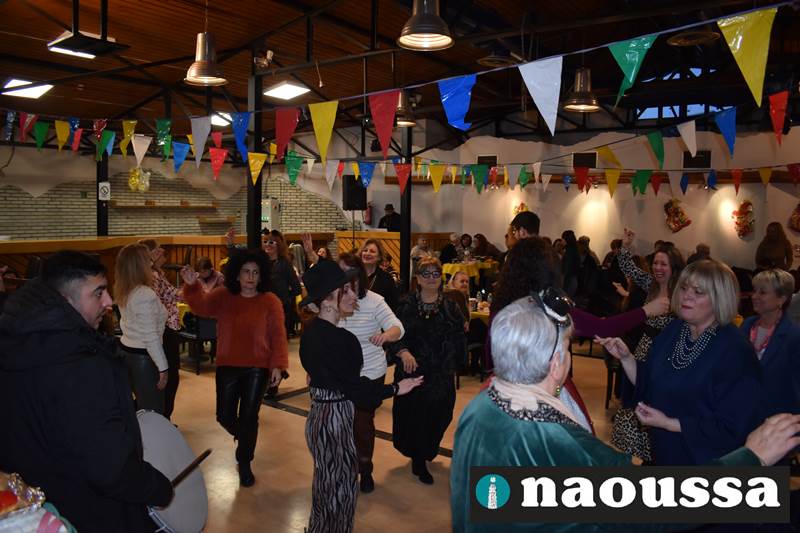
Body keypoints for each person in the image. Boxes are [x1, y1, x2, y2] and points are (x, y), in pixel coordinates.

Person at [451, 295, 800, 533]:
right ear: (556, 364)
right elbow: (657, 506)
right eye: (568, 348)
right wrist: (750, 459)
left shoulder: (481, 406)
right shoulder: (555, 440)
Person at [0, 251, 173, 532]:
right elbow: (109, 466)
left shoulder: (16, 343)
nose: (109, 302)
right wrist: (156, 487)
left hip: (41, 508)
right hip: (92, 511)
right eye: (98, 293)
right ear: (65, 299)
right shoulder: (82, 365)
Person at [487, 237, 670, 433]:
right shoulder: (550, 307)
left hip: (502, 392)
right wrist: (646, 311)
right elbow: (603, 328)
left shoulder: (501, 307)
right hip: (545, 390)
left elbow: (489, 358)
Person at [599, 260, 765, 466]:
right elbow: (650, 381)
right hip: (662, 452)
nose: (687, 296)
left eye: (698, 292)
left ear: (720, 298)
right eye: (684, 288)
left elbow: (734, 425)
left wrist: (670, 423)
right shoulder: (675, 330)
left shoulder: (735, 350)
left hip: (702, 463)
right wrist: (627, 358)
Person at [299, 261, 422, 533]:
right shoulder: (344, 340)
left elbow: (326, 377)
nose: (354, 295)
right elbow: (358, 391)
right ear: (327, 300)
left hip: (317, 418)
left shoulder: (310, 334)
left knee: (326, 485)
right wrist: (395, 388)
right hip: (335, 420)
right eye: (345, 291)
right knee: (341, 491)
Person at [181, 248, 288, 487]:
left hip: (257, 368)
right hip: (227, 365)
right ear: (237, 275)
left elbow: (278, 336)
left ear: (261, 276)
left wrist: (278, 365)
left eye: (255, 272)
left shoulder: (270, 301)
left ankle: (245, 460)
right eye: (246, 272)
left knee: (249, 416)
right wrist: (191, 286)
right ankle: (246, 437)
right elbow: (201, 307)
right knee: (225, 416)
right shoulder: (223, 296)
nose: (250, 277)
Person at [387, 257, 467, 485]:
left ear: (441, 277)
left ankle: (425, 451)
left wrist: (456, 362)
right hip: (411, 372)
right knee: (413, 416)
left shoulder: (451, 306)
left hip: (440, 373)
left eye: (435, 274)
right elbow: (393, 334)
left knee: (440, 414)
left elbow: (459, 337)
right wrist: (402, 352)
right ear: (418, 278)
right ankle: (418, 458)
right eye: (426, 274)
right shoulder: (405, 304)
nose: (431, 278)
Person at [610, 227, 685, 461]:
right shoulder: (650, 283)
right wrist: (625, 246)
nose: (658, 268)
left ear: (674, 267)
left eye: (664, 264)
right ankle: (639, 451)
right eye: (656, 263)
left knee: (657, 400)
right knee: (636, 396)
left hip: (668, 354)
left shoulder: (682, 293)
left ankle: (656, 453)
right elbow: (628, 268)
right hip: (645, 348)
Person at [338, 252, 405, 493]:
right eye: (340, 272)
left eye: (349, 273)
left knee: (362, 423)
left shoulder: (375, 300)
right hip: (340, 372)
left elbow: (397, 327)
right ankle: (345, 467)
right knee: (341, 422)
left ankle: (365, 468)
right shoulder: (332, 298)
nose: (344, 278)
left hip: (370, 371)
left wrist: (386, 336)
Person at [115, 244, 169, 414]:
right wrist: (163, 367)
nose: (150, 264)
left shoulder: (123, 288)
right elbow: (150, 336)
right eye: (147, 261)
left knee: (138, 409)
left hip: (126, 352)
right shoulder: (144, 294)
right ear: (140, 265)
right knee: (152, 413)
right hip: (144, 358)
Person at [741, 269, 800, 417]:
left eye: (762, 292)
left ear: (781, 299)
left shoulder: (794, 336)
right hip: (742, 411)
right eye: (754, 290)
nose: (754, 296)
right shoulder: (747, 325)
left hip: (774, 416)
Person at [139, 238, 182, 419]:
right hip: (164, 330)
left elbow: (173, 294)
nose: (163, 251)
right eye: (158, 250)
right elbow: (154, 304)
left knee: (171, 376)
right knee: (169, 377)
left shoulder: (158, 273)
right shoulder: (151, 276)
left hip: (167, 328)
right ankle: (163, 418)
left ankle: (164, 417)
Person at [262, 229, 302, 337]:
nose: (267, 244)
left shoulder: (285, 263)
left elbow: (297, 288)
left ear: (278, 245)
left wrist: (285, 298)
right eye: (265, 241)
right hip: (262, 308)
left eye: (271, 242)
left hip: (280, 309)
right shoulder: (260, 262)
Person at [359, 239, 399, 311]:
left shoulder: (387, 279)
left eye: (372, 251)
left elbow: (392, 306)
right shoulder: (353, 275)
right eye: (365, 250)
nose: (367, 253)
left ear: (379, 257)